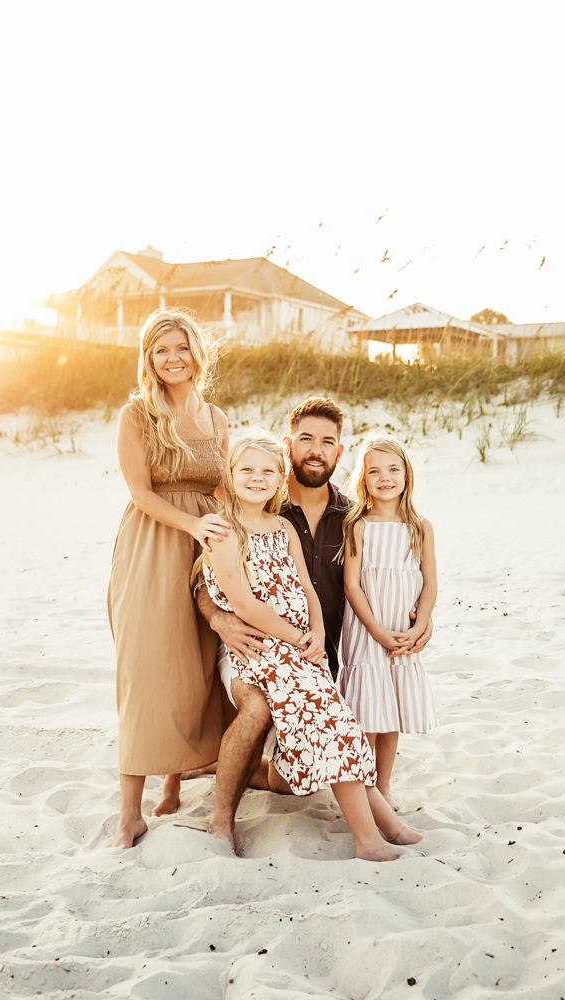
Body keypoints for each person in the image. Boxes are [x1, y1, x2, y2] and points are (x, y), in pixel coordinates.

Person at [190, 398, 433, 841]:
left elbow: (394, 577)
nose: (316, 450)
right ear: (289, 449)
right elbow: (205, 582)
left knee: (293, 783)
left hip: (319, 656)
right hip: (256, 650)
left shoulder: (354, 518)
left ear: (340, 453)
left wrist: (423, 618)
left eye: (327, 442)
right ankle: (224, 814)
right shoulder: (265, 509)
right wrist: (218, 618)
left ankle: (247, 770)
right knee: (265, 710)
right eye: (305, 440)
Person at [107, 310, 232, 848]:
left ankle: (174, 783)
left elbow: (227, 488)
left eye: (182, 346)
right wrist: (192, 523)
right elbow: (141, 492)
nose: (173, 357)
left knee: (196, 663)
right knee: (147, 668)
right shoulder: (135, 415)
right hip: (153, 544)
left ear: (196, 351)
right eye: (161, 350)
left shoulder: (217, 417)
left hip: (209, 547)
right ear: (149, 358)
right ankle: (128, 814)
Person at [339, 435, 438, 809]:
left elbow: (430, 583)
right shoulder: (357, 525)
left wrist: (419, 625)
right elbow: (351, 585)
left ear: (406, 474)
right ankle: (363, 787)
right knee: (367, 707)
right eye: (374, 471)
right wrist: (377, 631)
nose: (385, 478)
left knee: (391, 709)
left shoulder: (420, 526)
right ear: (363, 479)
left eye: (393, 469)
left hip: (402, 628)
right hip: (368, 628)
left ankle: (383, 786)